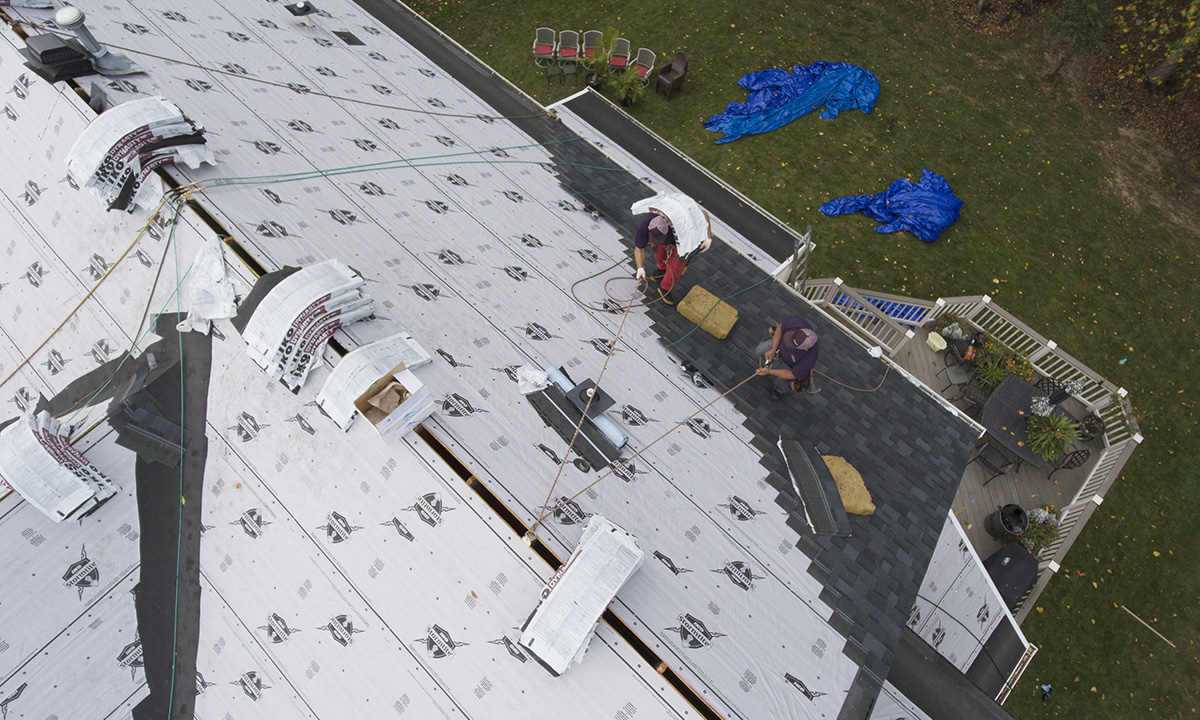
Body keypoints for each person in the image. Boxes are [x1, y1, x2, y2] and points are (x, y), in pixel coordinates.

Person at [755, 318, 819, 396]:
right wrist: (773, 349)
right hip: (780, 345)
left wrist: (769, 371)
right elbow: (780, 328)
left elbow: (791, 374)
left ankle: (778, 390)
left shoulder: (808, 361)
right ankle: (772, 343)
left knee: (782, 383)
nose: (790, 343)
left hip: (790, 366)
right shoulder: (798, 323)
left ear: (806, 349)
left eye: (794, 345)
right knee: (760, 350)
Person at [632, 212, 687, 303]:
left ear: (668, 225)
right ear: (649, 227)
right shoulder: (644, 224)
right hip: (667, 237)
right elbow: (639, 248)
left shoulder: (682, 223)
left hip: (682, 241)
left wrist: (707, 238)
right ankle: (662, 269)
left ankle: (665, 288)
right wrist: (640, 267)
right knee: (658, 251)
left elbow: (703, 214)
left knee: (677, 266)